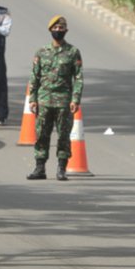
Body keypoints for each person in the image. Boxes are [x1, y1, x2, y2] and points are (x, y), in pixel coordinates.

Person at [26, 15, 83, 181]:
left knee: (64, 136)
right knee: (42, 134)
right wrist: (33, 99)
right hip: (44, 100)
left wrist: (75, 99)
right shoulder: (41, 52)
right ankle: (40, 168)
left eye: (61, 28)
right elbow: (34, 77)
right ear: (50, 30)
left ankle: (61, 168)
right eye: (55, 28)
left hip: (64, 101)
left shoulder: (73, 52)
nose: (58, 30)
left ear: (66, 30)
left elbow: (78, 77)